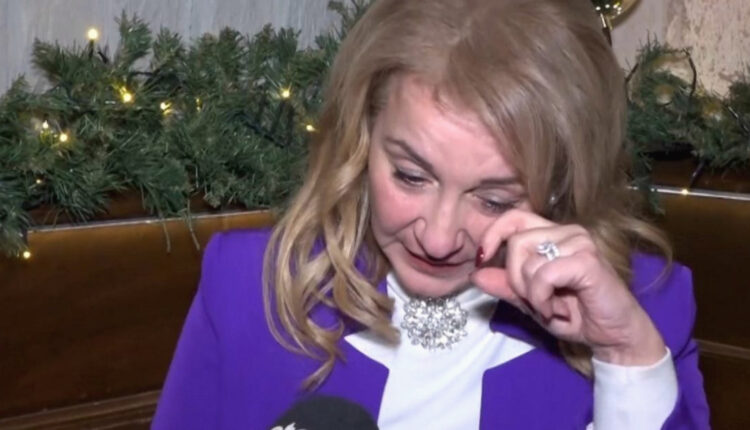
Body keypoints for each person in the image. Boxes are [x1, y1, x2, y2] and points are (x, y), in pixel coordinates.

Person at [152, 0, 710, 428]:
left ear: (563, 184)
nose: (439, 239)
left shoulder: (647, 312)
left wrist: (623, 354)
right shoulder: (247, 287)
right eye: (411, 176)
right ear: (361, 139)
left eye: (494, 200)